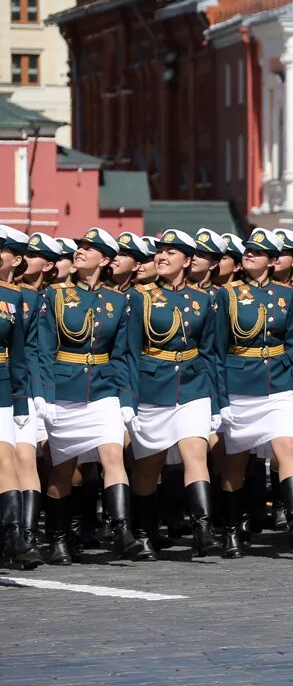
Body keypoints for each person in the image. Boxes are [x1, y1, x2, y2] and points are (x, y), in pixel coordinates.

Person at [34, 228, 146, 563]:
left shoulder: (119, 301)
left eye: (90, 248)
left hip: (103, 389)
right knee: (63, 470)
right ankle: (57, 539)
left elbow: (125, 355)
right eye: (80, 246)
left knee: (113, 457)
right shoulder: (54, 296)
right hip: (64, 390)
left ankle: (123, 530)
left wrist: (127, 399)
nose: (81, 251)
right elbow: (42, 349)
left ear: (106, 260)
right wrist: (44, 394)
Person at [213, 228, 293, 558]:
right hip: (240, 384)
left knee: (286, 449)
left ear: (273, 261)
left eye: (258, 252)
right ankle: (233, 529)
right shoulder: (227, 295)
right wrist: (221, 399)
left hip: (279, 383)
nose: (250, 255)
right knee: (236, 461)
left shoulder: (289, 297)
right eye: (248, 251)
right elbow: (216, 350)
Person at [126, 229, 223, 559]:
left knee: (195, 454)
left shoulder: (204, 300)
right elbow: (130, 350)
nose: (162, 257)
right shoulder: (140, 297)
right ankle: (143, 531)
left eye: (171, 252)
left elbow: (210, 352)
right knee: (147, 468)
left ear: (188, 260)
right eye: (159, 252)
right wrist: (129, 398)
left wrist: (216, 400)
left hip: (193, 386)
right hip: (152, 389)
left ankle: (203, 529)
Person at [0, 231, 41, 570]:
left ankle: (15, 537)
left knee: (6, 457)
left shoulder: (11, 297)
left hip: (1, 388)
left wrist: (21, 402)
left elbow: (18, 354)